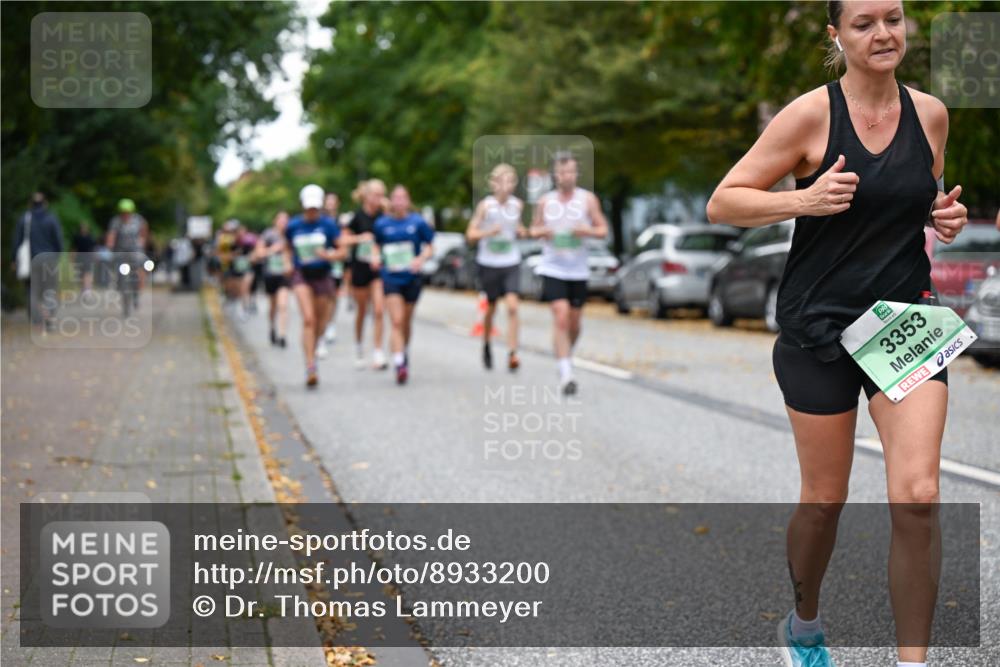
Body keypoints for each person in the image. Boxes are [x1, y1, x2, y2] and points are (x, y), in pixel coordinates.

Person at [705, 3, 968, 666]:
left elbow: (916, 197)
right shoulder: (809, 116)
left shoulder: (931, 114)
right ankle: (804, 624)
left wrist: (942, 215)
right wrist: (804, 199)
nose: (883, 34)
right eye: (864, 23)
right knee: (824, 501)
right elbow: (724, 201)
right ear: (836, 35)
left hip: (905, 321)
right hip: (817, 324)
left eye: (893, 19)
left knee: (918, 495)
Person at [529, 154, 608, 395]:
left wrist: (587, 231)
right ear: (555, 175)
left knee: (574, 323)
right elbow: (533, 230)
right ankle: (565, 372)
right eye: (562, 172)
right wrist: (545, 232)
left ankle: (565, 355)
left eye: (571, 172)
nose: (567, 176)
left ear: (577, 174)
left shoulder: (588, 200)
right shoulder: (545, 201)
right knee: (561, 316)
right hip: (553, 268)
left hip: (578, 270)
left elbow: (603, 229)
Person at [371, 185, 434, 385]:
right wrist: (375, 257)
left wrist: (420, 259)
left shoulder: (417, 222)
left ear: (408, 201)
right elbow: (376, 245)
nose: (399, 201)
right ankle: (399, 363)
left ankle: (403, 351)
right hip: (391, 277)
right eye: (395, 198)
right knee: (396, 321)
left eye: (402, 198)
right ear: (391, 201)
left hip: (412, 278)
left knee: (406, 321)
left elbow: (430, 246)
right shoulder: (382, 224)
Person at [466, 163, 526, 371]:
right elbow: (470, 234)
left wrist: (522, 231)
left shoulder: (517, 206)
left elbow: (518, 227)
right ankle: (486, 344)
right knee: (491, 309)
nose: (505, 186)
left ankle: (513, 353)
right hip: (489, 263)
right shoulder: (486, 206)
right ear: (493, 184)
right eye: (501, 181)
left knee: (513, 306)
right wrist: (488, 232)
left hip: (510, 261)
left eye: (509, 181)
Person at [284, 184, 345, 387]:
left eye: (315, 208)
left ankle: (315, 346)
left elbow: (342, 251)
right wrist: (287, 263)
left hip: (322, 275)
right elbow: (287, 248)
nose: (311, 212)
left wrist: (328, 255)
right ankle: (310, 366)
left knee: (320, 322)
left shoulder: (328, 225)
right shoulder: (293, 226)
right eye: (308, 208)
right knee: (309, 319)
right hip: (302, 275)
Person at [346, 179, 389, 370]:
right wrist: (360, 238)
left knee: (379, 310)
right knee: (362, 311)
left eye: (382, 195)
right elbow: (342, 239)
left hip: (378, 269)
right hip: (360, 267)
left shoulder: (384, 216)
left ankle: (378, 351)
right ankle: (358, 346)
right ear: (367, 195)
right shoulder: (357, 217)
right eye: (376, 194)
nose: (379, 198)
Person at [11, 192, 64, 329]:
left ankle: (36, 319)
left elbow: (16, 241)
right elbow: (58, 241)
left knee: (32, 289)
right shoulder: (52, 219)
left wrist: (14, 260)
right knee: (50, 289)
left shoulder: (24, 219)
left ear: (30, 204)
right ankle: (49, 318)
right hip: (49, 260)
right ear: (45, 203)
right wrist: (58, 256)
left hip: (31, 260)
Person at [106, 198, 149, 312]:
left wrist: (142, 241)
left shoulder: (138, 220)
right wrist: (110, 244)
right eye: (123, 212)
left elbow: (144, 231)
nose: (125, 215)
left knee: (141, 268)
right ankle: (119, 284)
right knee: (115, 266)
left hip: (135, 250)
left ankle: (137, 293)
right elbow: (111, 235)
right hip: (120, 251)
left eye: (127, 212)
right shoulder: (115, 221)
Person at [255, 211, 290, 347]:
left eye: (286, 220)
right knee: (273, 305)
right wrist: (273, 249)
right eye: (281, 220)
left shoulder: (290, 234)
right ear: (275, 221)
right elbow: (259, 253)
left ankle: (282, 335)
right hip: (270, 275)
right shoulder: (268, 234)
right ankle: (272, 327)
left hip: (284, 275)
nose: (283, 223)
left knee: (283, 305)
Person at [321, 191, 342, 351]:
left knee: (334, 295)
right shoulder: (320, 220)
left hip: (337, 262)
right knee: (325, 295)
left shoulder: (341, 221)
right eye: (328, 201)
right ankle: (324, 325)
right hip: (323, 261)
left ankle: (330, 323)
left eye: (332, 201)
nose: (330, 204)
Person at [71, 221, 97, 294]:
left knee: (87, 273)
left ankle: (87, 288)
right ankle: (84, 288)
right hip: (79, 257)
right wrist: (72, 257)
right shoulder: (77, 237)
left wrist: (94, 257)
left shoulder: (90, 237)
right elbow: (74, 248)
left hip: (87, 257)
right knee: (81, 274)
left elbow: (93, 249)